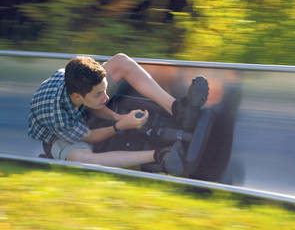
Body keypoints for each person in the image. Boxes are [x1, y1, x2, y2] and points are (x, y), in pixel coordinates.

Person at [28, 53, 208, 176]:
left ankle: (179, 110)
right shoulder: (57, 115)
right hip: (56, 137)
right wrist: (119, 126)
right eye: (100, 94)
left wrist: (117, 116)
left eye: (104, 91)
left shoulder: (76, 76)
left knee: (120, 61)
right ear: (76, 96)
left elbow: (90, 102)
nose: (106, 97)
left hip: (80, 104)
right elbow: (90, 137)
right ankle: (161, 156)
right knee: (82, 160)